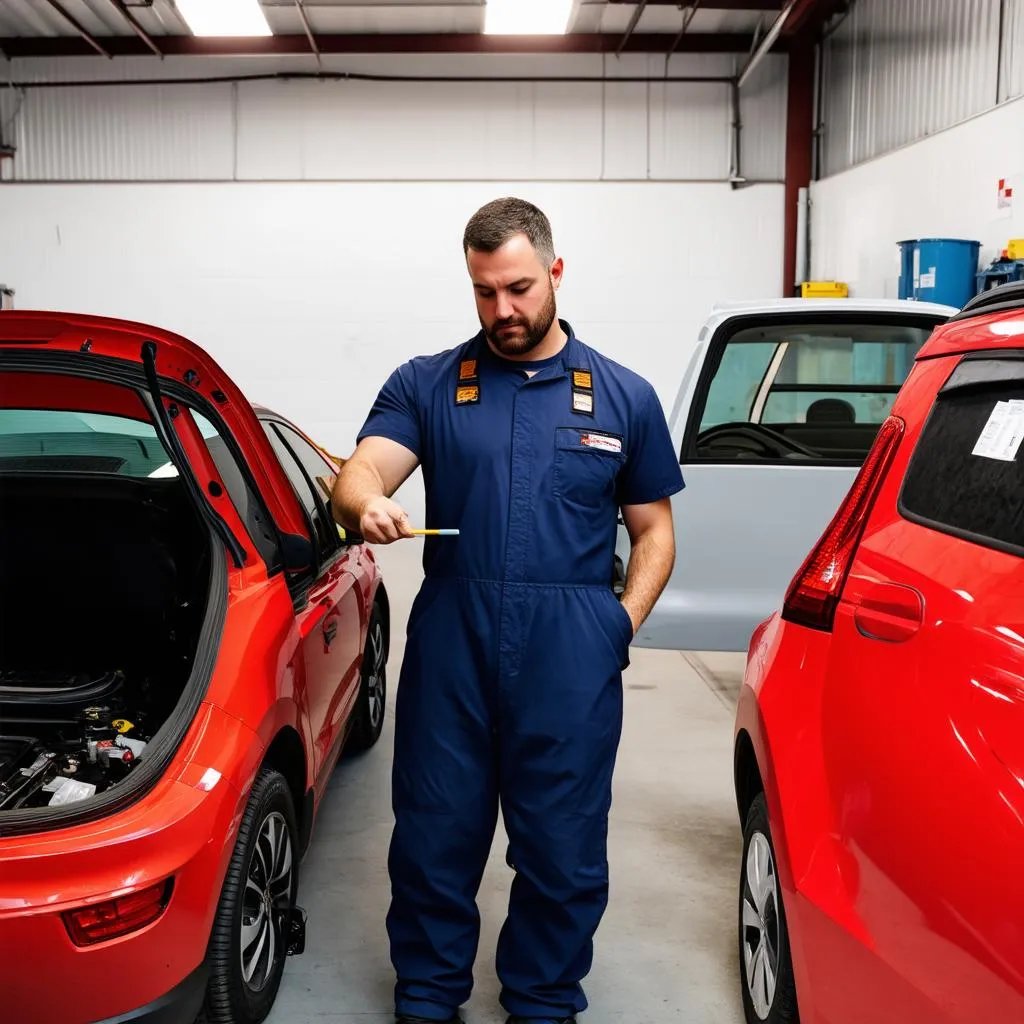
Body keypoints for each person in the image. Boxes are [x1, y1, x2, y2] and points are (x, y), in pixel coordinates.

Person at [331, 197, 684, 1024]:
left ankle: (542, 999)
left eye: (519, 288)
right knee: (432, 837)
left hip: (572, 652)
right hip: (454, 640)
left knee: (561, 849)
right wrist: (365, 502)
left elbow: (655, 534)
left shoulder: (624, 396)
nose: (504, 311)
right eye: (485, 292)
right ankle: (426, 995)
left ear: (555, 272)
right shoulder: (425, 383)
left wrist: (615, 627)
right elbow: (360, 470)